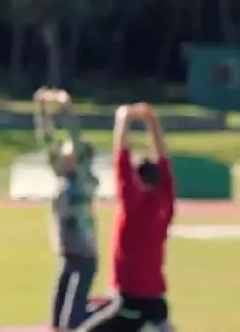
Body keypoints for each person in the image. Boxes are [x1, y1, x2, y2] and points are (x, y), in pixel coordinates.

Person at [77, 103, 177, 332]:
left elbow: (121, 159)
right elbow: (164, 160)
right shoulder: (166, 203)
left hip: (131, 301)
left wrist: (122, 119)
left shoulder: (133, 206)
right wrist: (152, 122)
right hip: (156, 300)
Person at [33, 88, 100, 331]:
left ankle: (105, 313)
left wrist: (67, 108)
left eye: (68, 150)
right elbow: (47, 141)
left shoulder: (85, 179)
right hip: (67, 253)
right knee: (57, 321)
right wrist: (41, 110)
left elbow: (75, 137)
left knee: (71, 321)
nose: (64, 153)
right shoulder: (62, 176)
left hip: (85, 254)